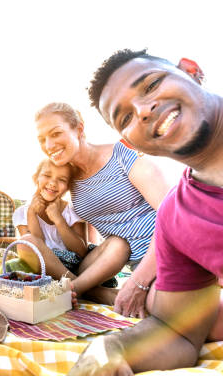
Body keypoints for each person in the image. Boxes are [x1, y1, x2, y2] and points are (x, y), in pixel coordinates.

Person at [68, 49, 223, 375]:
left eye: (151, 84)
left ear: (192, 70)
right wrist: (110, 347)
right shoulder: (179, 218)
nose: (143, 110)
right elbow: (177, 331)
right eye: (126, 117)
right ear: (129, 144)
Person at [35, 102, 170, 311]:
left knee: (164, 307)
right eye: (42, 139)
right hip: (124, 257)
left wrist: (138, 281)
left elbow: (172, 214)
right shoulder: (68, 178)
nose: (49, 145)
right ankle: (82, 290)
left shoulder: (121, 154)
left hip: (163, 252)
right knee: (117, 244)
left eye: (56, 134)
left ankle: (77, 292)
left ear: (79, 129)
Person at [13, 159, 91, 279]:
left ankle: (77, 283)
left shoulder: (73, 210)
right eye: (47, 175)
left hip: (75, 266)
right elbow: (36, 246)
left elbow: (82, 251)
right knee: (27, 240)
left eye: (62, 180)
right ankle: (78, 285)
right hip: (43, 267)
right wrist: (31, 214)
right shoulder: (22, 213)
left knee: (109, 246)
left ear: (68, 187)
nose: (53, 183)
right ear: (36, 178)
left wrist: (58, 220)